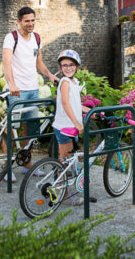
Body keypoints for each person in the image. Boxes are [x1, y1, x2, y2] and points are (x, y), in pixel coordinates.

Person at [2, 7, 58, 181]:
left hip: (33, 90)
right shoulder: (11, 38)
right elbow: (6, 63)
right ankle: (6, 167)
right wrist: (11, 84)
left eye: (33, 20)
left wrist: (49, 75)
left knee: (30, 130)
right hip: (17, 91)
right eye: (27, 21)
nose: (30, 24)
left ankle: (27, 165)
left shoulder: (37, 38)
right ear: (19, 21)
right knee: (10, 129)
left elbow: (38, 63)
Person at [51, 49, 93, 206]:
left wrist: (88, 110)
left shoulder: (74, 83)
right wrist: (76, 122)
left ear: (77, 66)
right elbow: (65, 103)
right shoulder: (65, 82)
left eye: (71, 65)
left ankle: (65, 190)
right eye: (64, 65)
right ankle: (61, 191)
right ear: (60, 68)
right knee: (64, 161)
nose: (68, 68)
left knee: (68, 159)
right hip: (64, 127)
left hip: (72, 127)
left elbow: (75, 103)